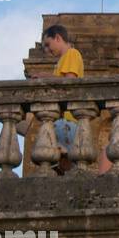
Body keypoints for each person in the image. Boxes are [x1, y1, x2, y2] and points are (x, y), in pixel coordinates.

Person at [44, 24, 83, 173]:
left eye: (48, 44)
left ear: (58, 38)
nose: (47, 50)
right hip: (63, 121)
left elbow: (68, 82)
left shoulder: (72, 54)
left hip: (67, 121)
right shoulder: (62, 60)